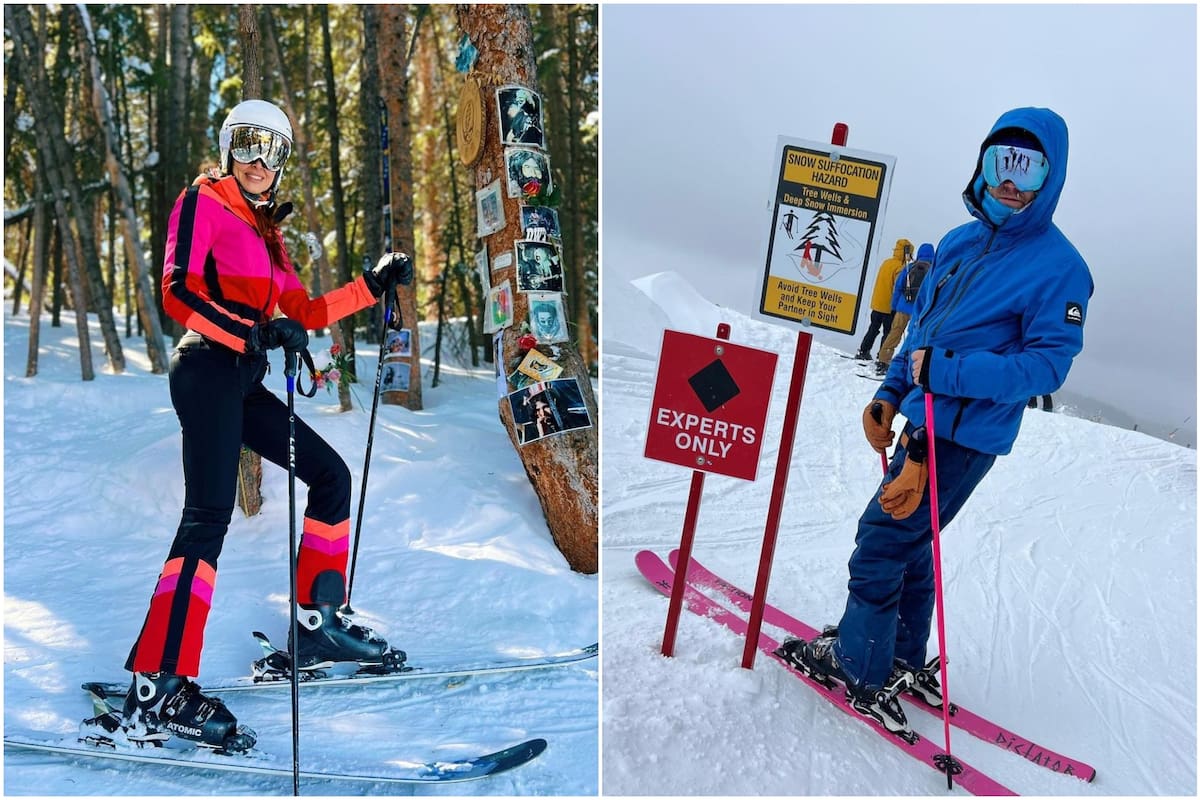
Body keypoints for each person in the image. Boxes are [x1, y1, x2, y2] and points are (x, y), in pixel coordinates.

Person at [82, 99, 415, 753]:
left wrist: (369, 287)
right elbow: (176, 290)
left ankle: (319, 625)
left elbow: (305, 311)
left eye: (273, 149)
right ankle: (159, 685)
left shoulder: (267, 234)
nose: (260, 161)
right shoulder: (201, 201)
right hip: (205, 368)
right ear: (229, 146)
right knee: (207, 517)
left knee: (330, 475)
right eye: (248, 144)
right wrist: (254, 330)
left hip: (242, 379)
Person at [778, 107, 1093, 738]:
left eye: (1028, 168)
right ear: (982, 165)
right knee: (908, 541)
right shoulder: (955, 242)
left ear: (1050, 179)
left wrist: (943, 373)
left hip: (963, 437)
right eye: (1001, 162)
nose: (1011, 181)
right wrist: (889, 394)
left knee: (882, 541)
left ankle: (858, 665)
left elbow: (1043, 368)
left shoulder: (1061, 269)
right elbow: (921, 331)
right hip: (918, 424)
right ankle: (896, 650)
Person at [874, 242, 934, 374]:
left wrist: (895, 305)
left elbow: (898, 287)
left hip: (903, 306)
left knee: (895, 333)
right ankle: (909, 366)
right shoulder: (933, 271)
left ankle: (883, 360)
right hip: (920, 310)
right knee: (914, 337)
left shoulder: (909, 267)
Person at [854, 238, 912, 361]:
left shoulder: (886, 263)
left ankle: (863, 350)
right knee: (887, 332)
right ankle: (881, 357)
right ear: (907, 252)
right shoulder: (900, 268)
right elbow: (898, 287)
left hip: (877, 303)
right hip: (889, 306)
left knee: (873, 328)